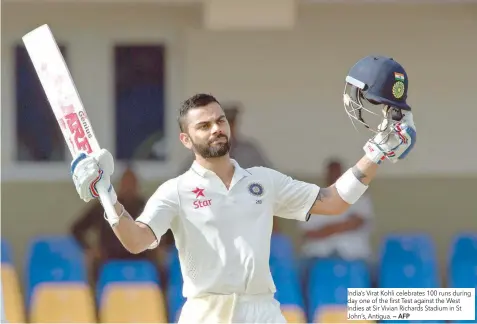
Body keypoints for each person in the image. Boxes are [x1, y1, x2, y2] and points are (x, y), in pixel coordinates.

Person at [69, 55, 416, 323]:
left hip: (262, 310)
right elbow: (136, 240)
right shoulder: (175, 191)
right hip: (206, 312)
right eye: (204, 125)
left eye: (220, 121)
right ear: (186, 139)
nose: (216, 129)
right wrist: (108, 197)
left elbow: (334, 200)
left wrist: (377, 154)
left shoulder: (263, 181)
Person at [298, 158, 375, 292]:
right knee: (299, 277)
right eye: (331, 173)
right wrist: (344, 225)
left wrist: (326, 229)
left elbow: (357, 223)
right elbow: (310, 234)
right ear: (326, 175)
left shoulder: (360, 198)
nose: (335, 176)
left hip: (355, 254)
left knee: (374, 277)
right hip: (318, 255)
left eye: (338, 173)